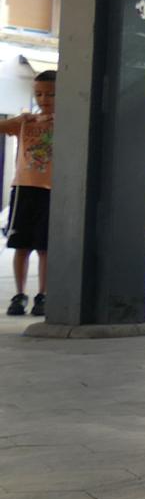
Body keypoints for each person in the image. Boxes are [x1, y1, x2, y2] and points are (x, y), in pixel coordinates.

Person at [0, 70, 55, 318]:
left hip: (51, 191)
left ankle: (43, 295)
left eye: (51, 94)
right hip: (23, 189)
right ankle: (19, 295)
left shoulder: (66, 124)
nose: (44, 99)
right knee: (21, 246)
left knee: (45, 247)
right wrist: (21, 118)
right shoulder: (25, 123)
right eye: (39, 94)